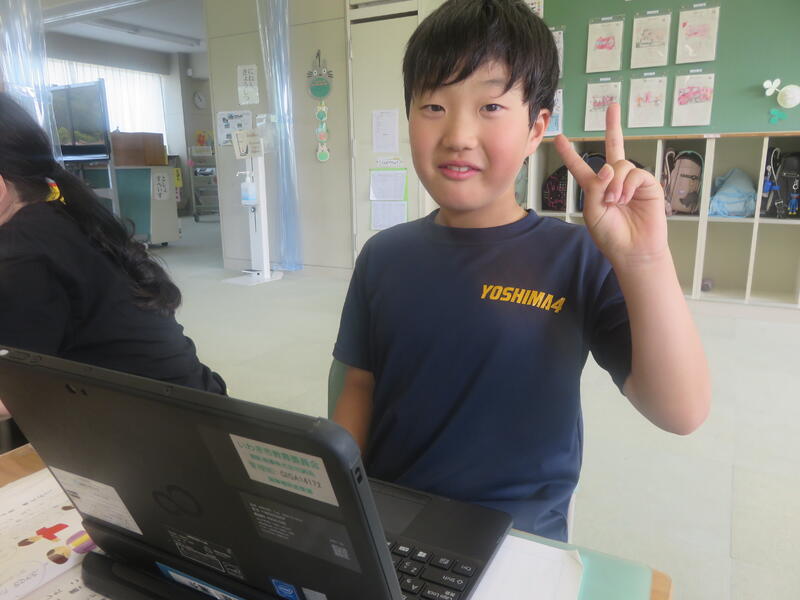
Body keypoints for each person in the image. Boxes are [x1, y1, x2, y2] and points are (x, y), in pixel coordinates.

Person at [332, 0, 710, 542]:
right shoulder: (383, 255)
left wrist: (645, 260)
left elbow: (681, 410)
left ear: (537, 128)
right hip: (391, 525)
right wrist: (340, 505)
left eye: (490, 106)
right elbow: (358, 383)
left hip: (517, 538)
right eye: (433, 105)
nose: (458, 134)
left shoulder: (576, 256)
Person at [0, 92, 225, 421]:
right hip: (196, 405)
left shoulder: (22, 251)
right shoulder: (60, 212)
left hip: (166, 432)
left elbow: (9, 397)